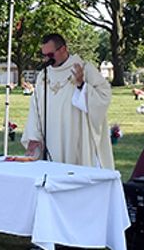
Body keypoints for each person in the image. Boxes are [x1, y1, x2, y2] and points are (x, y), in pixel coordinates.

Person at [21, 33, 113, 168]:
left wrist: (82, 85)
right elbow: (35, 107)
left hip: (76, 135)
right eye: (44, 55)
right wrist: (34, 136)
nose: (46, 59)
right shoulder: (43, 75)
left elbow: (104, 95)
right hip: (51, 137)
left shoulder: (85, 69)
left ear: (63, 49)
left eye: (50, 55)